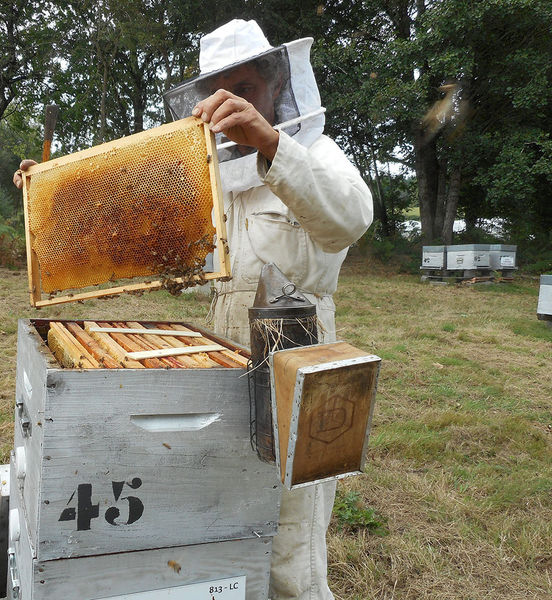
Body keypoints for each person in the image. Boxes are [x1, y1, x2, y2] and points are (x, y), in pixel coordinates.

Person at [163, 19, 373, 600]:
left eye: (245, 87)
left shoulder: (314, 150)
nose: (230, 103)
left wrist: (272, 144)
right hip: (223, 353)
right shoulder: (215, 182)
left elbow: (349, 219)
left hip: (300, 352)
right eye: (217, 92)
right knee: (228, 510)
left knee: (290, 539)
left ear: (276, 86)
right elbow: (186, 270)